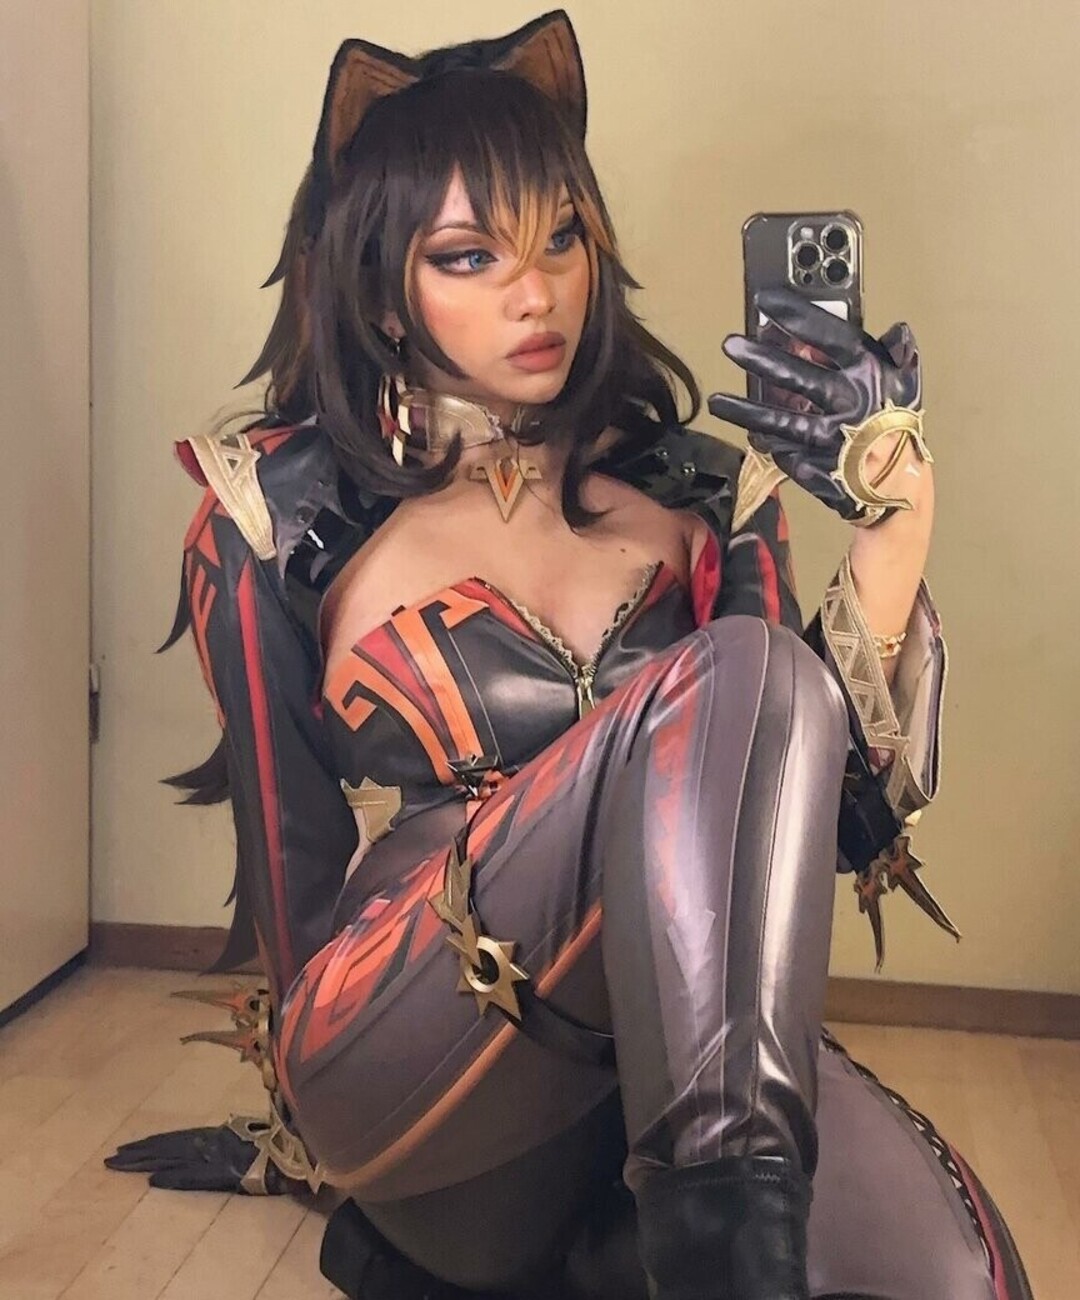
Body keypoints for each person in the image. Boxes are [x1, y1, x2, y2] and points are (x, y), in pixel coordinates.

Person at [105, 12, 1032, 1300]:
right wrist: (310, 1134)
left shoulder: (701, 495)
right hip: (420, 1092)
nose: (535, 292)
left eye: (561, 240)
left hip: (673, 1071)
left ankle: (701, 1230)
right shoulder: (279, 521)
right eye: (469, 255)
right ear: (379, 285)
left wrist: (895, 520)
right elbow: (297, 911)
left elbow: (808, 830)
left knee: (951, 1275)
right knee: (738, 669)